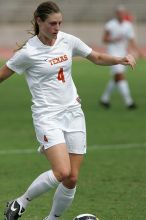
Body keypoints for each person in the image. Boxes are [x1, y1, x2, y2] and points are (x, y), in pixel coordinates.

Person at [1, 1, 135, 220]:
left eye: (60, 23)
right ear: (39, 21)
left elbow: (97, 57)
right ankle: (20, 202)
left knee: (71, 178)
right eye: (52, 23)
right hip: (47, 116)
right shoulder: (28, 52)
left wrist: (120, 59)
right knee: (61, 171)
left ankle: (51, 219)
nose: (57, 28)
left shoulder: (67, 40)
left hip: (73, 113)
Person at [100, 5, 142, 109]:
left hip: (123, 54)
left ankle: (104, 99)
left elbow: (131, 40)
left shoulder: (128, 25)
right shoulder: (110, 25)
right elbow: (104, 39)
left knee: (117, 78)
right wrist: (113, 40)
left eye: (123, 13)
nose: (121, 15)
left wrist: (138, 51)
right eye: (119, 13)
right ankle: (129, 102)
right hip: (112, 54)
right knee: (120, 76)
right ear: (116, 14)